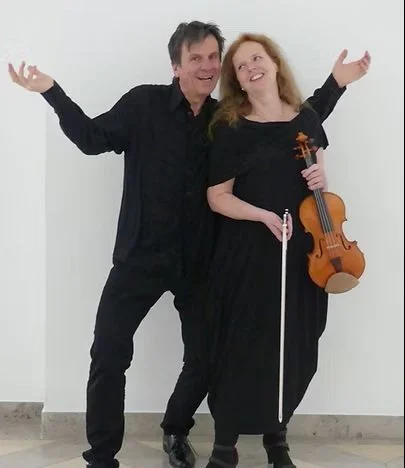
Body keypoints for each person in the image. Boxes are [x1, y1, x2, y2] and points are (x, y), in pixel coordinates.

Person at [8, 20, 370, 468]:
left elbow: (291, 120)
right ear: (175, 65)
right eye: (195, 58)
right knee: (108, 352)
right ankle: (101, 456)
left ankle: (176, 430)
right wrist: (51, 91)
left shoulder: (225, 119)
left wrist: (336, 84)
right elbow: (91, 139)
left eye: (213, 58)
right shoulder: (143, 104)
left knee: (205, 357)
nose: (206, 66)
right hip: (140, 256)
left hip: (199, 260)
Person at [201, 33, 370, 468]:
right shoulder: (231, 128)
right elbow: (217, 197)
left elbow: (319, 187)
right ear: (237, 80)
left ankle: (277, 438)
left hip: (301, 254)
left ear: (275, 63)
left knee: (294, 343)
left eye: (257, 58)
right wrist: (261, 215)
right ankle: (225, 444)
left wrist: (321, 181)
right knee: (239, 345)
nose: (251, 68)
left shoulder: (306, 119)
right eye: (241, 66)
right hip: (246, 253)